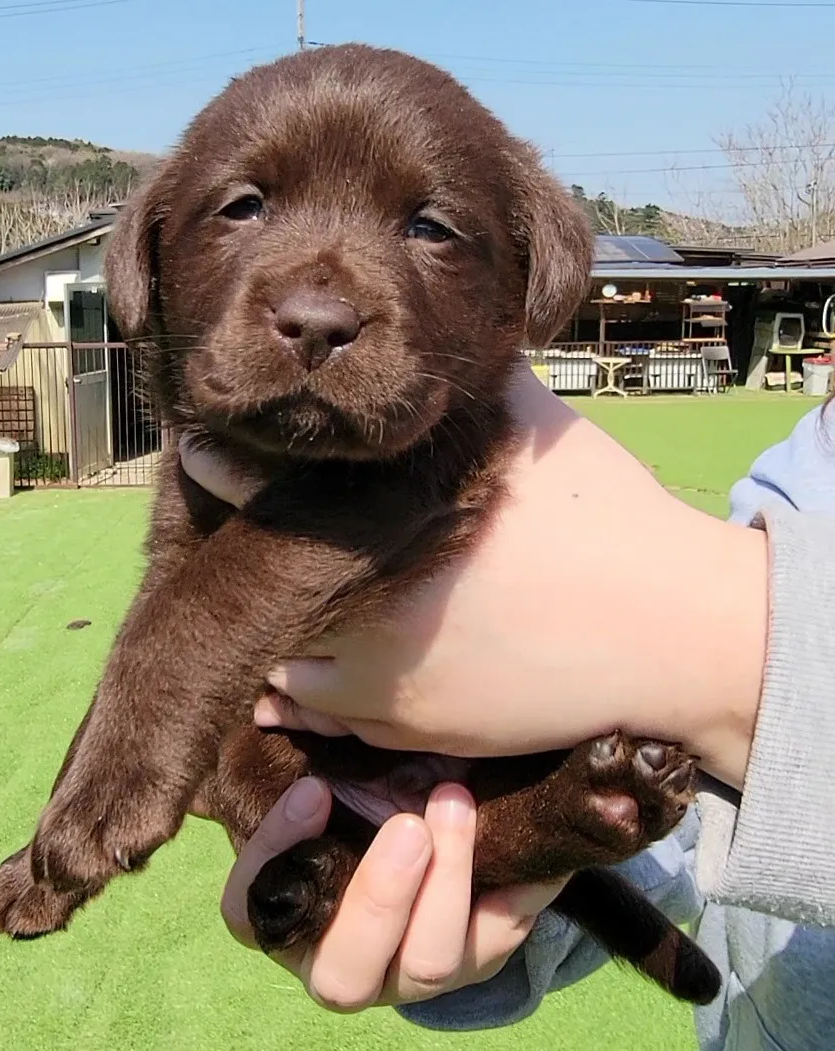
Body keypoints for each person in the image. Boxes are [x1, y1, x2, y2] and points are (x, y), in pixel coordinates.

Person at [179, 368, 835, 1049]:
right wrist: (495, 891)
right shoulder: (811, 455)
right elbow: (711, 800)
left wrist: (709, 633)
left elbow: (703, 700)